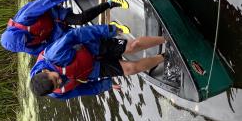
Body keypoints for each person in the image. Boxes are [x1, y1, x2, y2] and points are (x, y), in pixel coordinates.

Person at [29, 24, 165, 100]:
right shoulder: (57, 93)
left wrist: (107, 30)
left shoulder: (53, 54)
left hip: (92, 47)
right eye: (56, 85)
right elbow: (83, 90)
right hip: (93, 70)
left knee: (133, 46)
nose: (59, 81)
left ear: (45, 71)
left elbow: (76, 35)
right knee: (131, 69)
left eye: (55, 78)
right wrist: (105, 85)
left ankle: (166, 39)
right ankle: (165, 57)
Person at [1, 0, 130, 55]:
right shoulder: (26, 46)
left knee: (80, 20)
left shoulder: (24, 18)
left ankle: (110, 3)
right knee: (80, 40)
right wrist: (66, 42)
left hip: (53, 14)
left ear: (17, 32)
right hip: (54, 33)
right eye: (25, 43)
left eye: (24, 38)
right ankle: (110, 29)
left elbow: (48, 0)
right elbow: (46, 49)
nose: (27, 40)